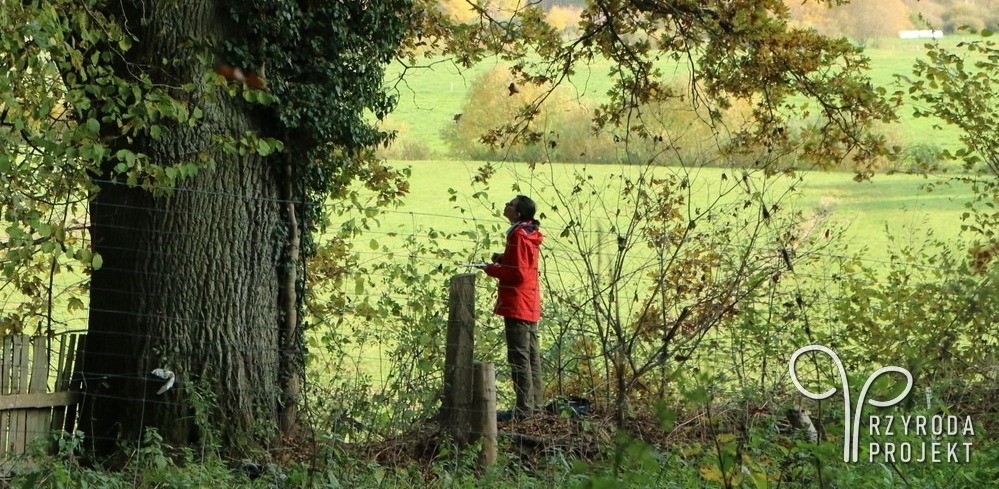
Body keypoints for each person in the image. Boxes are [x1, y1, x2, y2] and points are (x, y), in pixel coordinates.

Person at [483, 195, 544, 418]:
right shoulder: (529, 233)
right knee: (531, 355)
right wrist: (504, 257)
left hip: (518, 301)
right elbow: (523, 264)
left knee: (519, 356)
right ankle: (535, 405)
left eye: (510, 204)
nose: (506, 205)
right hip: (530, 299)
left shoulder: (517, 235)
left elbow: (517, 273)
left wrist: (491, 269)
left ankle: (524, 409)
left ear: (517, 214)